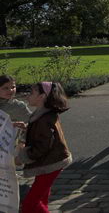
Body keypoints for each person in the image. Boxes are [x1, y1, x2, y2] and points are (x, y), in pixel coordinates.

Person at [17, 81, 72, 212]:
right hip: (50, 161)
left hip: (51, 162)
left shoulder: (43, 119)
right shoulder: (44, 115)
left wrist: (23, 157)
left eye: (31, 93)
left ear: (42, 97)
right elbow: (43, 136)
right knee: (41, 196)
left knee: (29, 204)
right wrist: (28, 129)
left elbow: (43, 146)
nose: (27, 96)